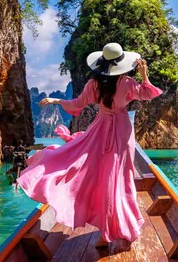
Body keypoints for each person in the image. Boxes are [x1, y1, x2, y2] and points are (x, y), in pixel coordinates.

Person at [17, 42, 163, 246]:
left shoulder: (94, 84)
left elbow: (77, 104)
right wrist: (144, 74)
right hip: (121, 130)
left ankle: (105, 230)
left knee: (92, 170)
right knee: (119, 176)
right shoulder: (128, 83)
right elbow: (148, 94)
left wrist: (56, 101)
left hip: (100, 128)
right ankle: (112, 229)